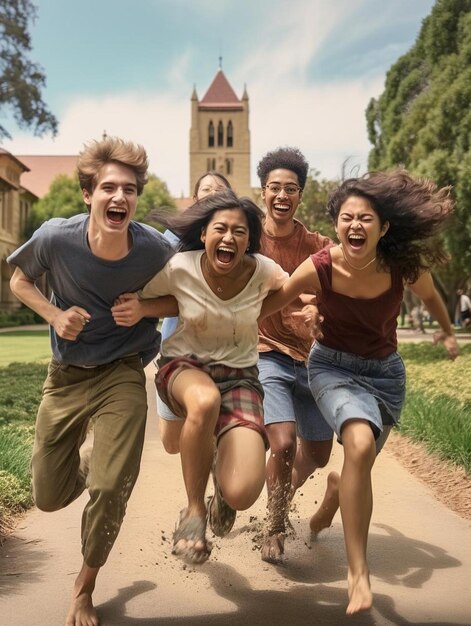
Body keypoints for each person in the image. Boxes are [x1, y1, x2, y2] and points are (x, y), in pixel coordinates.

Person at [259, 169, 459, 614]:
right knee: (360, 442)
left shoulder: (400, 265)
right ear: (336, 225)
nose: (355, 225)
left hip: (386, 377)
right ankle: (358, 574)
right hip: (331, 367)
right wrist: (234, 323)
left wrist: (447, 333)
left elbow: (430, 298)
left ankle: (335, 490)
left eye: (366, 218)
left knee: (357, 457)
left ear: (383, 227)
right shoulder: (322, 265)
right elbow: (277, 299)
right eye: (347, 217)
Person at [7, 136, 176, 626]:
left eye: (129, 189)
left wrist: (145, 308)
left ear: (137, 198)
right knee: (47, 495)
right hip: (65, 378)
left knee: (109, 486)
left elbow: (187, 296)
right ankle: (88, 457)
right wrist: (54, 315)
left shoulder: (154, 249)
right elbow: (19, 279)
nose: (119, 197)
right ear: (89, 194)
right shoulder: (56, 237)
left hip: (123, 372)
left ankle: (84, 587)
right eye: (108, 188)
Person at [112, 190, 289, 565]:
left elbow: (288, 291)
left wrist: (309, 314)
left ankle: (220, 497)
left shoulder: (263, 270)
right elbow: (170, 297)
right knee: (204, 400)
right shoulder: (180, 267)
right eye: (220, 229)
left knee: (242, 492)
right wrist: (141, 307)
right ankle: (193, 513)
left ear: (249, 240)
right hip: (185, 366)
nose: (229, 238)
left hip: (240, 378)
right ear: (205, 235)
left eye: (239, 232)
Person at [256, 147, 334, 564]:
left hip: (314, 360)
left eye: (291, 188)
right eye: (275, 188)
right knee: (283, 441)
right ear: (263, 192)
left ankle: (278, 495)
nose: (282, 195)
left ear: (300, 195)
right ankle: (274, 525)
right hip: (267, 352)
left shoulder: (318, 245)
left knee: (318, 455)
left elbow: (342, 290)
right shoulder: (249, 237)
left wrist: (318, 309)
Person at [157, 171, 232, 434]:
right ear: (195, 198)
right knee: (171, 440)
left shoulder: (240, 238)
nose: (213, 193)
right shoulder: (173, 237)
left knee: (212, 423)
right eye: (207, 189)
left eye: (220, 189)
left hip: (224, 351)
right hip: (177, 346)